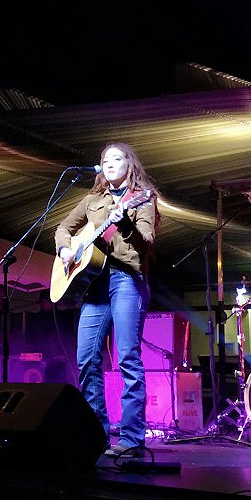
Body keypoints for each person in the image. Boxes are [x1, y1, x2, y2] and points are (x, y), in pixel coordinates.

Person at [55, 142, 159, 457]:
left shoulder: (142, 199)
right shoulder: (90, 201)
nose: (110, 163)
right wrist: (66, 250)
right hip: (94, 285)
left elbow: (147, 241)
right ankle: (97, 437)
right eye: (105, 159)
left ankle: (130, 440)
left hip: (127, 279)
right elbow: (63, 228)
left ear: (131, 164)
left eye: (117, 158)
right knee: (86, 359)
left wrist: (124, 222)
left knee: (127, 358)